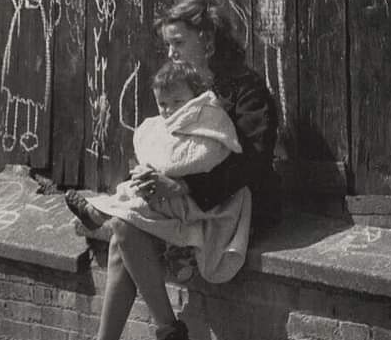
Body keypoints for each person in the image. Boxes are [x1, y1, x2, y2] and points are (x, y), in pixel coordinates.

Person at [43, 0, 280, 340]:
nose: (169, 52)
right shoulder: (178, 87)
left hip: (228, 211)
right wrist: (153, 177)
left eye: (178, 42)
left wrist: (182, 189)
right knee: (126, 229)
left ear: (207, 39)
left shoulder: (246, 91)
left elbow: (253, 164)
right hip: (179, 208)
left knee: (122, 233)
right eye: (168, 44)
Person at [65, 59, 252, 285]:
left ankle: (98, 214)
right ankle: (170, 248)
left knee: (139, 203)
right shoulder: (162, 124)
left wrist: (159, 171)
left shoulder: (209, 120)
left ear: (197, 96)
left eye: (177, 101)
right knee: (135, 191)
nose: (170, 109)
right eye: (163, 104)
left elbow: (200, 156)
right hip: (170, 195)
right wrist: (148, 173)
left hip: (203, 201)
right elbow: (155, 149)